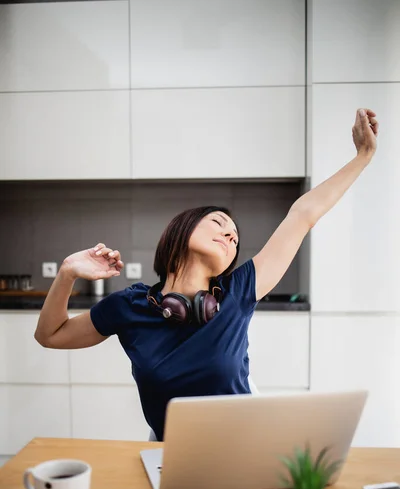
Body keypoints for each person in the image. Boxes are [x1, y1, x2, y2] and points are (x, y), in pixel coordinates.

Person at [35, 108, 378, 441]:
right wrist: (67, 273)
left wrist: (362, 156)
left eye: (235, 238)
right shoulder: (130, 306)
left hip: (246, 447)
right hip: (170, 454)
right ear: (181, 231)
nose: (230, 235)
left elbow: (303, 215)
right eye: (218, 223)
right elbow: (50, 335)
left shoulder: (239, 291)